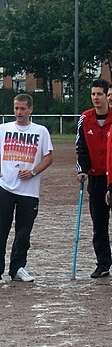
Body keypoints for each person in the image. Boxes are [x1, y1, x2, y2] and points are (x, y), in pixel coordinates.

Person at [0, 93, 54, 284]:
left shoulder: (40, 131)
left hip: (29, 191)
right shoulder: (3, 129)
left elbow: (48, 157)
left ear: (30, 109)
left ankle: (18, 268)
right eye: (16, 108)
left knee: (24, 232)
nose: (19, 112)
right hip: (5, 189)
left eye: (23, 108)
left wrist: (33, 172)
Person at [76, 79, 112, 278]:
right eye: (93, 94)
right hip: (96, 179)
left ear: (107, 95)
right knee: (99, 224)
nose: (96, 98)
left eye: (99, 94)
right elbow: (80, 146)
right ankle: (103, 263)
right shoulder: (85, 118)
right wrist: (82, 169)